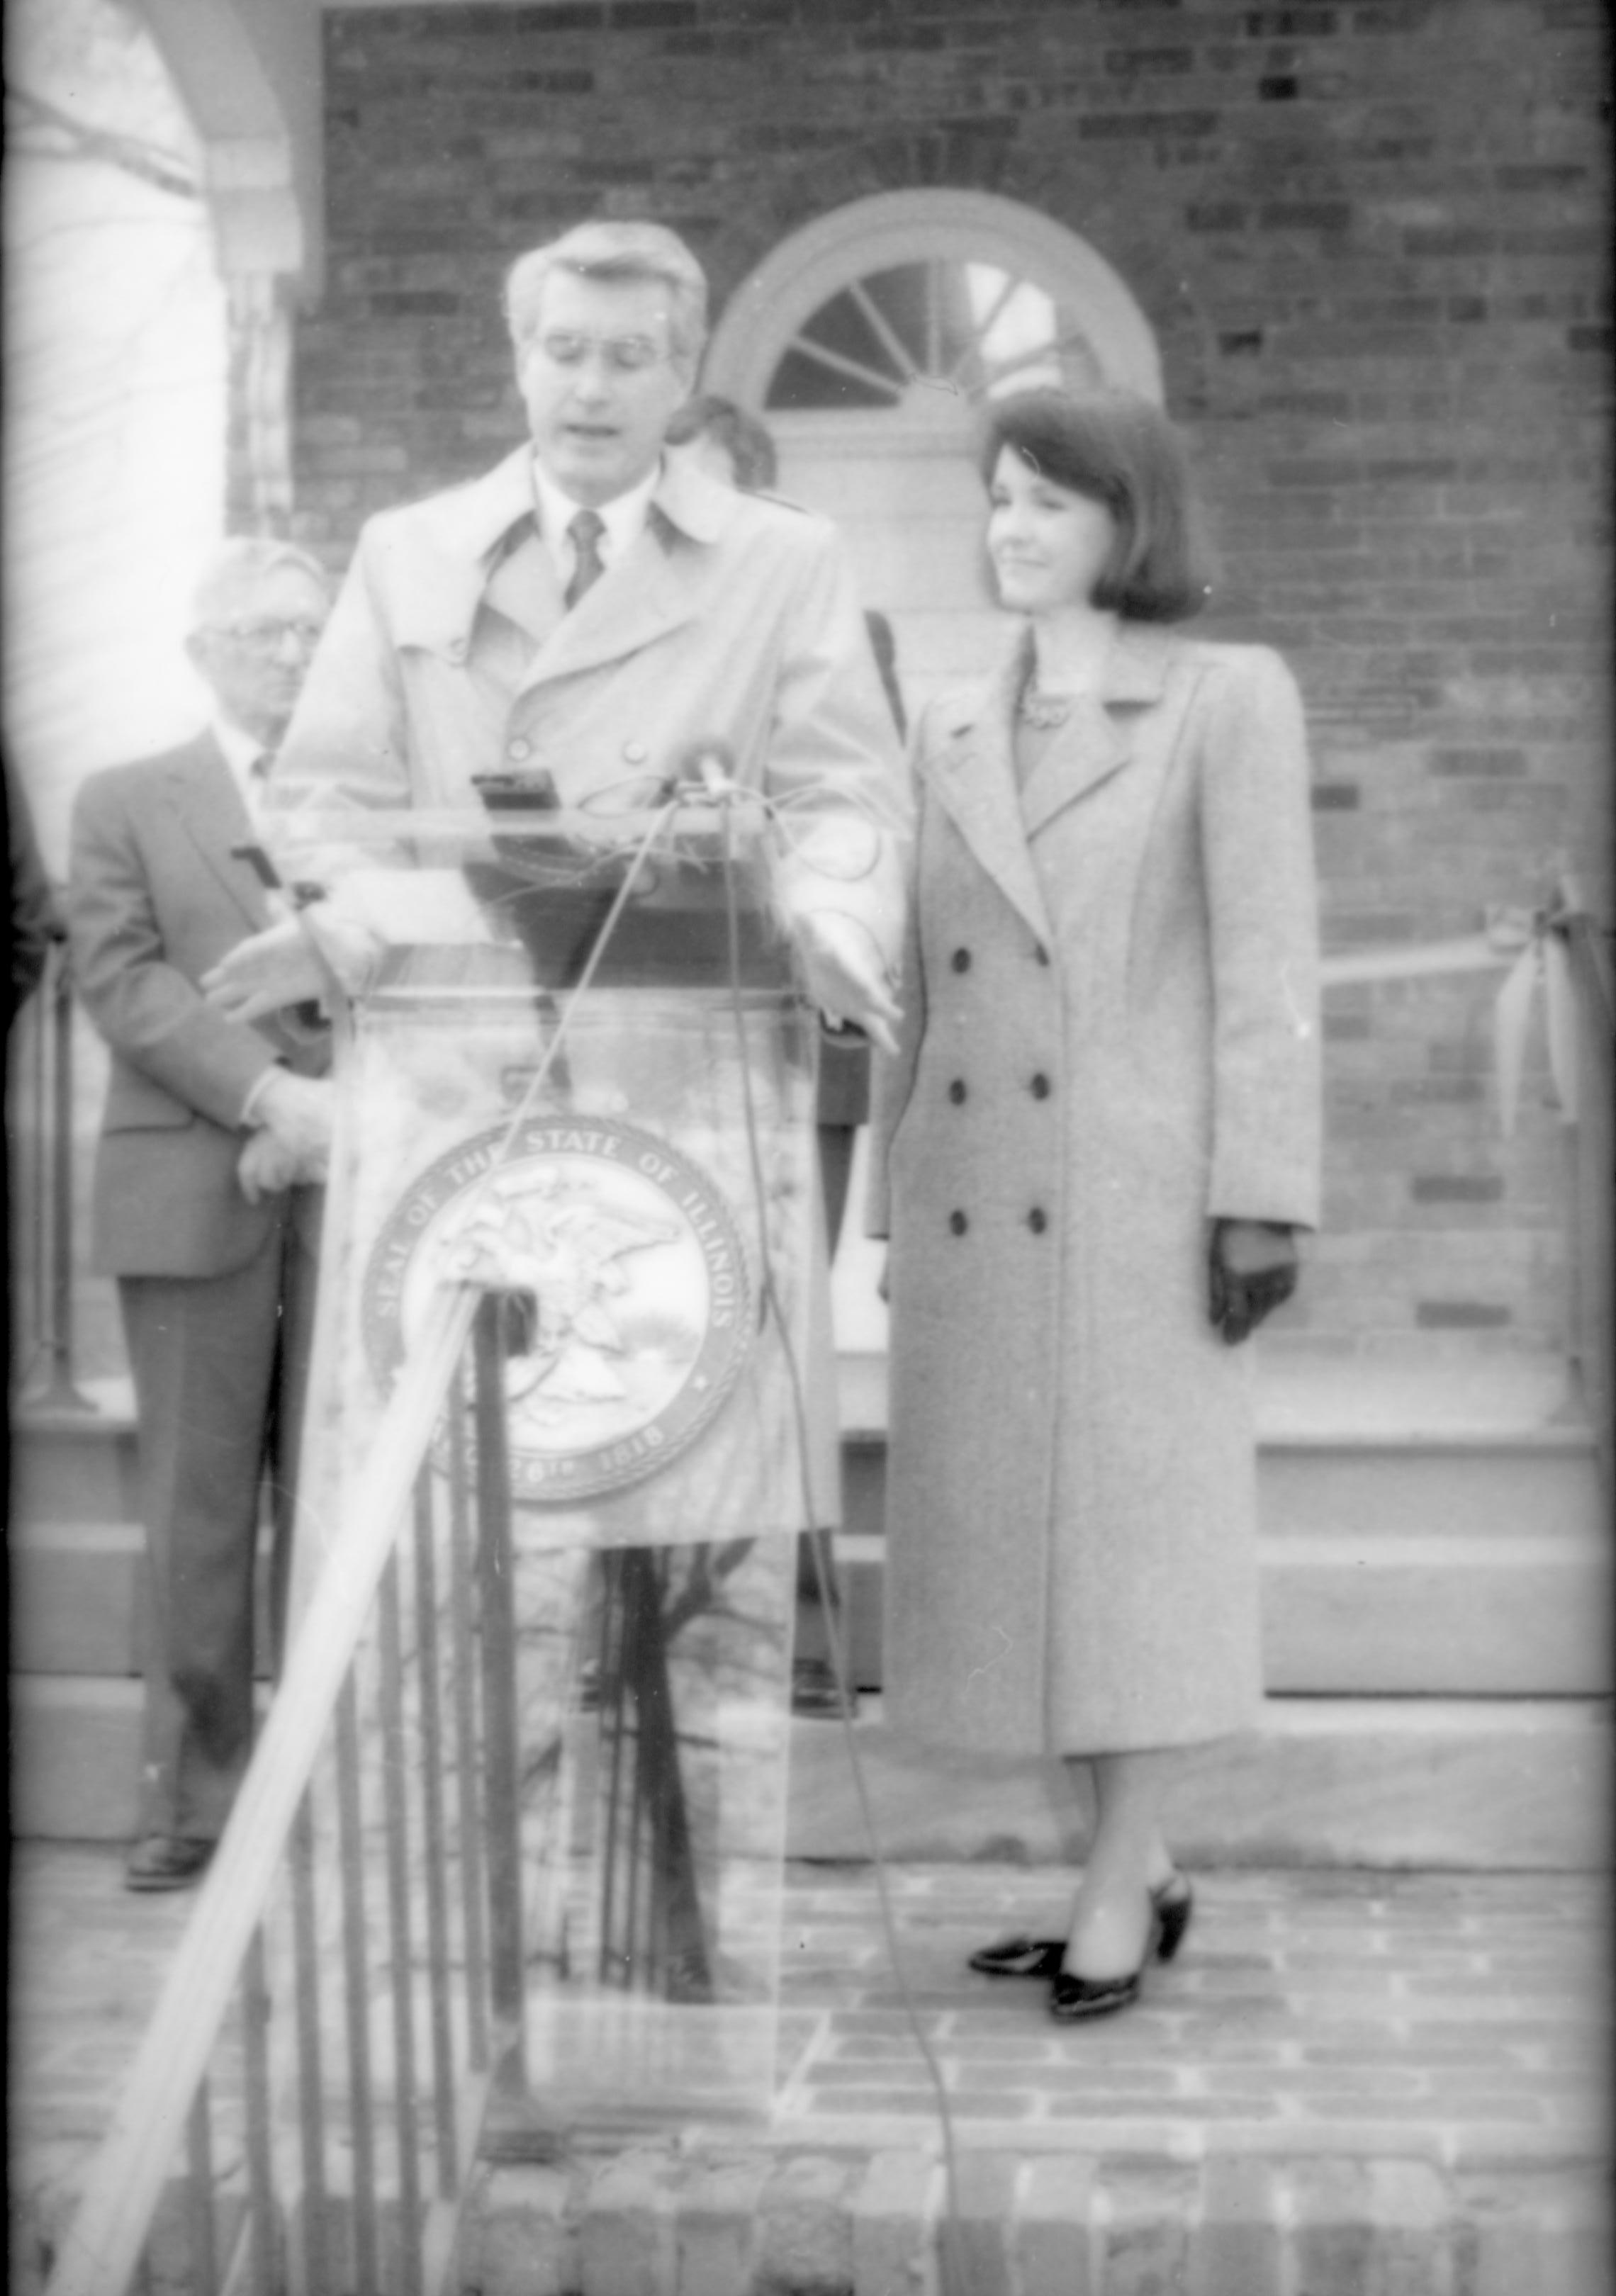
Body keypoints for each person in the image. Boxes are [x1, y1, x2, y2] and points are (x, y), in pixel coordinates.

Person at [870, 387, 1320, 2020]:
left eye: (1047, 501)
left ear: (1127, 521)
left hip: (1140, 1199)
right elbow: (919, 981)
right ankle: (1130, 1859)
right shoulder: (948, 717)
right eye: (996, 498)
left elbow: (1267, 962)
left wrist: (1261, 1194)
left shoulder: (1222, 698)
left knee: (1121, 1559)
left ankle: (1118, 1869)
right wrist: (886, 1190)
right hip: (977, 1200)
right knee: (1016, 1567)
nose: (1010, 526)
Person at [204, 221, 906, 1046]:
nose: (593, 388)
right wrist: (346, 930)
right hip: (453, 1043)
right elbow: (329, 798)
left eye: (630, 357)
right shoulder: (407, 553)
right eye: (565, 350)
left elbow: (841, 797)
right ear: (521, 362)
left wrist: (835, 920)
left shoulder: (783, 559)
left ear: (682, 374)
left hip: (692, 1045)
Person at [65, 537, 335, 1891]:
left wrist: (327, 1111)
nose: (290, 654)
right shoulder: (126, 799)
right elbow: (119, 982)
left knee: (339, 1498)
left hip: (349, 1188)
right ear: (201, 651)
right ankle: (197, 1797)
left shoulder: (371, 799)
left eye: (308, 631)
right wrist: (266, 1096)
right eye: (262, 633)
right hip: (195, 1181)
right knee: (199, 1505)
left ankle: (334, 1788)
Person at [663, 392, 911, 1719]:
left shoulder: (837, 634)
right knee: (667, 1339)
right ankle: (666, 1633)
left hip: (788, 1050)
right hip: (651, 1044)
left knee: (784, 1345)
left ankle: (802, 1637)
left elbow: (864, 826)